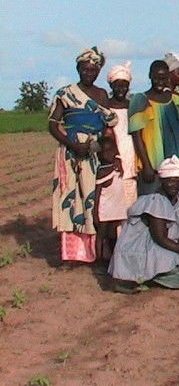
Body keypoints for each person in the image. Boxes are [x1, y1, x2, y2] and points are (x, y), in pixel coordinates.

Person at [49, 46, 118, 264]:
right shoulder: (65, 93)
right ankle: (73, 253)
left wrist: (104, 149)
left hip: (94, 152)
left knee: (93, 200)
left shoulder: (101, 95)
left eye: (93, 70)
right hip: (70, 152)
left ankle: (95, 251)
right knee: (71, 199)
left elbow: (108, 126)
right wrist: (72, 144)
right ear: (78, 69)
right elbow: (52, 125)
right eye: (85, 69)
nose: (89, 73)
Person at [109, 156, 179, 291]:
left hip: (167, 240)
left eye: (176, 181)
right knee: (175, 261)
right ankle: (146, 278)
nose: (172, 185)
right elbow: (160, 238)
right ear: (161, 181)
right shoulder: (156, 201)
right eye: (168, 181)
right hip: (146, 245)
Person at [129, 60, 179, 195]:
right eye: (156, 78)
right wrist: (146, 165)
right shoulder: (140, 100)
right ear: (150, 76)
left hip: (175, 167)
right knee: (151, 206)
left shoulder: (175, 100)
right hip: (153, 166)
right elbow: (136, 136)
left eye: (163, 78)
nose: (160, 82)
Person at [106, 61, 138, 208]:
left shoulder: (133, 107)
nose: (121, 89)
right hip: (112, 157)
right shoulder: (105, 107)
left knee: (130, 201)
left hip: (131, 156)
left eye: (124, 85)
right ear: (111, 86)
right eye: (117, 85)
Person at [93, 136, 129, 264]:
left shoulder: (118, 166)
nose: (107, 154)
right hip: (105, 209)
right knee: (102, 235)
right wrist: (95, 213)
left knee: (113, 234)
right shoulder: (102, 171)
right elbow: (97, 195)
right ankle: (99, 259)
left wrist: (118, 161)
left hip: (117, 207)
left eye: (110, 151)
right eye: (104, 152)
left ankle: (113, 258)